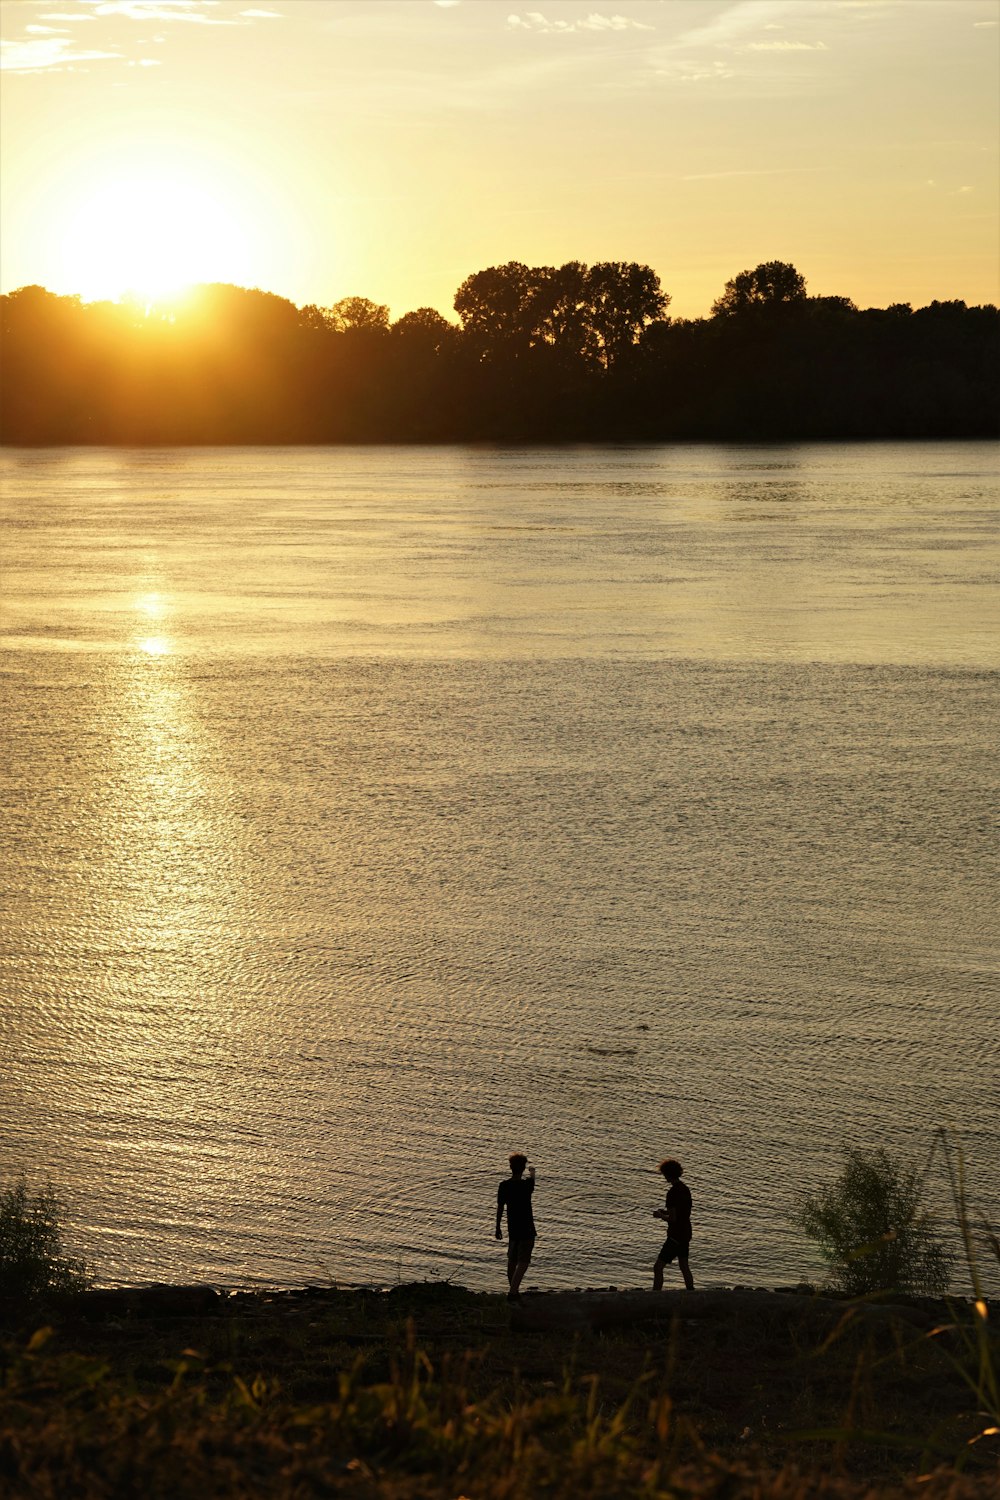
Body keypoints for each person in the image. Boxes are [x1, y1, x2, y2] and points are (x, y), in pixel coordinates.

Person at [495, 1152, 536, 1301]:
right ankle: (513, 1292)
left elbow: (500, 1208)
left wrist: (497, 1227)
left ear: (510, 1167)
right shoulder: (526, 1185)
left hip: (512, 1228)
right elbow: (532, 1179)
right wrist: (532, 1171)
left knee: (512, 1261)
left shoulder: (504, 1186)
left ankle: (514, 1290)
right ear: (523, 1168)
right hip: (527, 1228)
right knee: (523, 1261)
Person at [652, 1157, 694, 1291]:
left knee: (658, 1267)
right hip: (686, 1232)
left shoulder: (671, 1193)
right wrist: (667, 1212)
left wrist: (660, 1215)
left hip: (675, 1235)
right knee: (684, 1266)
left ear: (667, 1174)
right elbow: (681, 1211)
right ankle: (691, 1292)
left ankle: (655, 1294)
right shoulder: (685, 1189)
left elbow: (673, 1219)